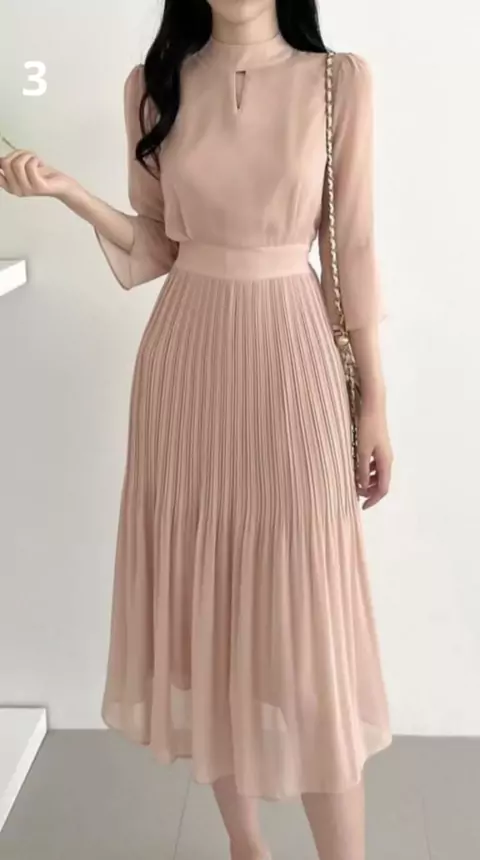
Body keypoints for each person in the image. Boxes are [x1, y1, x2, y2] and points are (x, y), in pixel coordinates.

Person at [0, 1, 394, 857]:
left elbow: (353, 249)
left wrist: (374, 402)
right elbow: (157, 249)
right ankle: (246, 847)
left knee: (310, 636)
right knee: (207, 619)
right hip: (186, 369)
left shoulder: (338, 83)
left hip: (293, 359)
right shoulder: (152, 88)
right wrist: (68, 193)